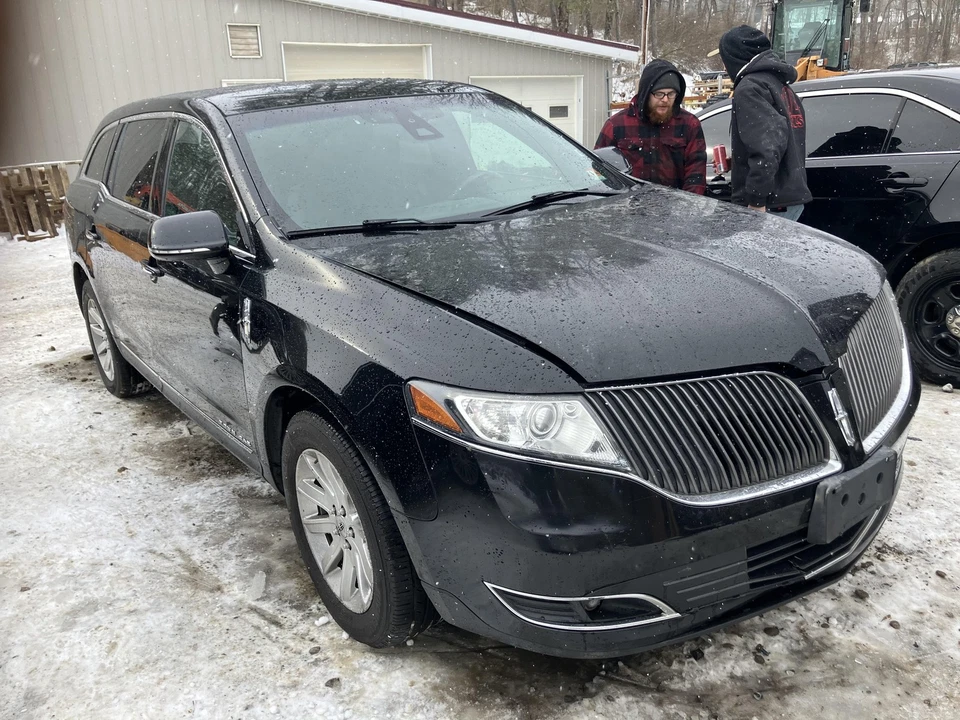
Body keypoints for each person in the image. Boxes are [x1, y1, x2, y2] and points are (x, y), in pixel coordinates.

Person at [717, 25, 811, 220]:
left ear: (733, 58)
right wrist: (740, 160)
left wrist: (756, 199)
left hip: (770, 205)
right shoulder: (778, 84)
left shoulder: (750, 88)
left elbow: (768, 147)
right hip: (788, 197)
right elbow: (780, 138)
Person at [595, 59, 707, 195]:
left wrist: (686, 210)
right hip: (629, 210)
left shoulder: (689, 125)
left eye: (671, 94)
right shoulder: (616, 125)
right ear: (646, 93)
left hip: (675, 209)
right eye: (659, 93)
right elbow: (598, 172)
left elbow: (696, 177)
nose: (665, 99)